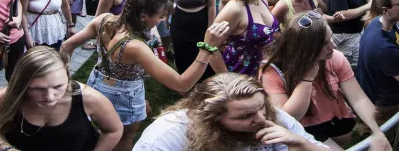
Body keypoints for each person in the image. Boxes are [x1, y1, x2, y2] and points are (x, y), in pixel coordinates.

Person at [61, 0, 230, 150]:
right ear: (143, 16)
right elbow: (182, 84)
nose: (162, 20)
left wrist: (64, 81)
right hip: (124, 95)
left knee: (105, 129)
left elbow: (67, 46)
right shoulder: (135, 47)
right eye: (160, 16)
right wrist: (207, 48)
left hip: (96, 84)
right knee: (124, 135)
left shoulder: (103, 20)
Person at [260, 12, 390, 149]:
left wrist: (377, 131)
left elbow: (357, 97)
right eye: (325, 43)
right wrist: (306, 79)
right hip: (304, 130)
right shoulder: (272, 71)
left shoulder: (335, 57)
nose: (333, 46)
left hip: (335, 123)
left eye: (331, 38)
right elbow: (288, 118)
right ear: (305, 48)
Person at [0, 47, 123, 151]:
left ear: (67, 76)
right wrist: (6, 148)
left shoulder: (90, 99)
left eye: (58, 86)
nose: (50, 96)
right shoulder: (3, 99)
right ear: (21, 83)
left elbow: (114, 130)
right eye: (37, 88)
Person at [134, 73, 328, 151]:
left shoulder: (271, 116)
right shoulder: (164, 138)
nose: (261, 119)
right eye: (244, 117)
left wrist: (300, 143)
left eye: (262, 107)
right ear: (210, 119)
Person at [214, 0, 280, 76]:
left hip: (266, 73)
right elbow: (210, 47)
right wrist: (227, 79)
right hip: (241, 76)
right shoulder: (235, 9)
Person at [325, 0, 371, 70]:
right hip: (346, 36)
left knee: (362, 61)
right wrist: (367, 7)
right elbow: (343, 14)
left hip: (359, 31)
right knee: (352, 67)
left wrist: (373, 0)